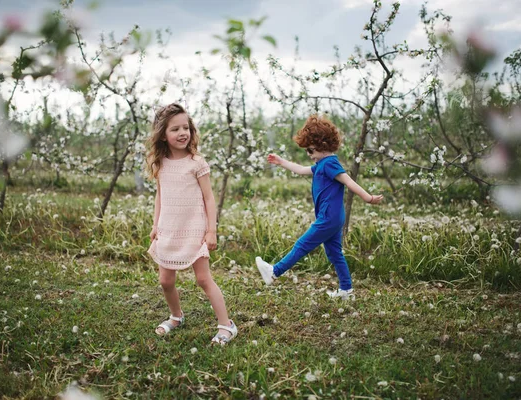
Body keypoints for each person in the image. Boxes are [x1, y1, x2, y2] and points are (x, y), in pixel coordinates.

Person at [255, 114, 383, 300]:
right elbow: (300, 169)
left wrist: (368, 197)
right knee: (334, 253)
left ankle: (274, 271)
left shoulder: (330, 163)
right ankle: (346, 290)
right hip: (333, 218)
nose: (309, 154)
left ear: (322, 145)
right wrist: (281, 162)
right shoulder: (321, 164)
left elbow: (348, 181)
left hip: (328, 218)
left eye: (310, 150)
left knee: (302, 244)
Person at [146, 103, 237, 344]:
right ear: (163, 135)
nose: (182, 133)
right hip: (169, 228)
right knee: (165, 281)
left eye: (185, 127)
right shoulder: (160, 163)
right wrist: (156, 225)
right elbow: (160, 195)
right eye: (175, 129)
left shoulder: (196, 162)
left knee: (203, 279)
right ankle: (176, 316)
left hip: (195, 230)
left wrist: (211, 230)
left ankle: (227, 325)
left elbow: (209, 197)